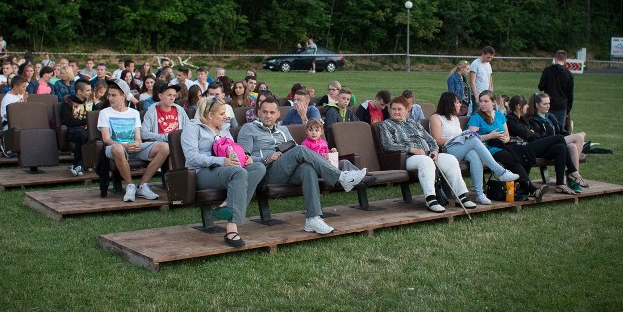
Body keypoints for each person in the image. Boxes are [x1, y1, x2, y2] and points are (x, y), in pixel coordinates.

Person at [238, 98, 367, 234]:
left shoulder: (283, 130)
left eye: (272, 112)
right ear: (258, 112)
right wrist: (266, 158)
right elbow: (244, 158)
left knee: (308, 169)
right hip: (267, 170)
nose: (268, 115)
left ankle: (313, 218)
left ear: (278, 114)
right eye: (264, 112)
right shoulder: (249, 128)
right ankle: (341, 176)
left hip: (288, 168)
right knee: (300, 150)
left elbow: (294, 148)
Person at [181, 99, 267, 248]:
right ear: (209, 115)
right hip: (201, 172)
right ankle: (232, 229)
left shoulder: (224, 128)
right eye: (221, 114)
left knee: (258, 168)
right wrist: (221, 161)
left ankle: (228, 203)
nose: (225, 117)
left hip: (227, 169)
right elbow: (192, 158)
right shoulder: (193, 128)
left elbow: (232, 149)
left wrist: (244, 158)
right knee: (239, 173)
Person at [379, 96, 478, 212]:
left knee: (450, 159)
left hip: (427, 154)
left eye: (399, 109)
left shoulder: (414, 123)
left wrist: (435, 150)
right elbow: (388, 145)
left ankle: (461, 196)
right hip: (408, 158)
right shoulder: (385, 125)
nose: (396, 112)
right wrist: (411, 149)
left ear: (406, 110)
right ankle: (431, 198)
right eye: (393, 109)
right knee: (426, 162)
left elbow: (430, 140)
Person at [429, 92, 519, 204]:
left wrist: (461, 138)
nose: (460, 105)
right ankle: (500, 172)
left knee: (474, 155)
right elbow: (437, 140)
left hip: (459, 149)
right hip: (446, 151)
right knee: (473, 139)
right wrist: (456, 139)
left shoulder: (455, 119)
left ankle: (479, 194)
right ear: (449, 104)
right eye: (457, 103)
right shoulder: (436, 118)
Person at [467, 90, 549, 201]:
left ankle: (522, 188)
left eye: (486, 101)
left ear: (493, 102)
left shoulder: (500, 116)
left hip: (504, 146)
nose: (482, 104)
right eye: (480, 101)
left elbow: (507, 135)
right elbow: (470, 138)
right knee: (511, 158)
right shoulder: (476, 118)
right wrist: (490, 136)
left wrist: (506, 138)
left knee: (523, 153)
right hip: (487, 149)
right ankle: (532, 189)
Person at [98, 79, 169, 202]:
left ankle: (142, 185)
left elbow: (138, 138)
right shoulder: (104, 113)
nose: (110, 98)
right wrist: (125, 146)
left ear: (124, 95)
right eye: (109, 95)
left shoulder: (134, 113)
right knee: (118, 148)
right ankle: (130, 185)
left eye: (113, 95)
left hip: (134, 147)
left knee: (165, 147)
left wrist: (137, 143)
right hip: (115, 147)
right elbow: (106, 139)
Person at [526, 92, 588, 190]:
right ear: (537, 105)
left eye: (549, 103)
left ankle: (571, 178)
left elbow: (561, 131)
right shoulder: (532, 119)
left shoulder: (550, 116)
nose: (548, 106)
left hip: (557, 146)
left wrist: (570, 137)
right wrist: (573, 137)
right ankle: (574, 174)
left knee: (572, 146)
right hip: (544, 149)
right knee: (579, 137)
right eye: (545, 104)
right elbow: (539, 139)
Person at [61, 80, 94, 176]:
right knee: (82, 134)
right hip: (73, 130)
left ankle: (80, 164)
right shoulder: (67, 102)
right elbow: (69, 122)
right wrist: (87, 121)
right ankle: (78, 163)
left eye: (90, 90)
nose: (90, 92)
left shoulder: (90, 102)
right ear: (79, 91)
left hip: (88, 129)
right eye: (87, 90)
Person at [538, 51, 575, 128]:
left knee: (549, 128)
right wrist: (567, 110)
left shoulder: (547, 71)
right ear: (565, 60)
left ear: (555, 59)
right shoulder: (569, 74)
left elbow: (540, 87)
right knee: (560, 129)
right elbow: (570, 95)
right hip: (562, 106)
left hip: (548, 104)